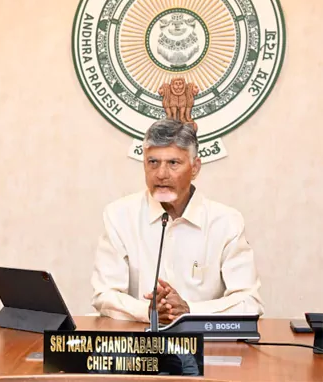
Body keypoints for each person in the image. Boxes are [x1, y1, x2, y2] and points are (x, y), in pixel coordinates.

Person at [91, 119, 263, 323]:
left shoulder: (226, 222)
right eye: (153, 162)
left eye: (173, 163)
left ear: (195, 167)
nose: (161, 174)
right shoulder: (119, 216)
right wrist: (149, 311)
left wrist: (190, 311)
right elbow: (104, 295)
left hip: (205, 340)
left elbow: (249, 302)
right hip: (140, 339)